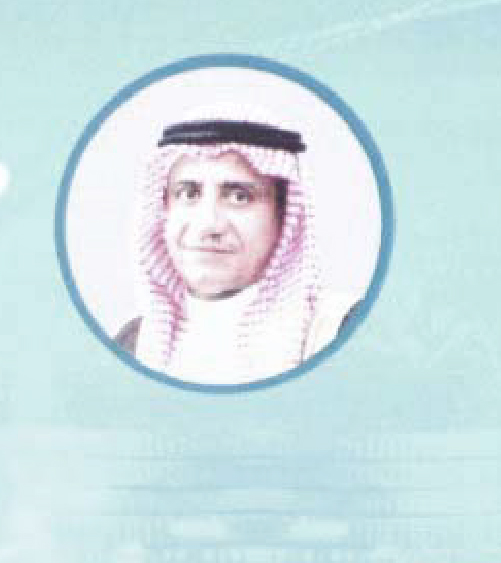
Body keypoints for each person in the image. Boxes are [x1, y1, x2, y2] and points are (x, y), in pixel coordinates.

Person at [110, 117, 356, 385]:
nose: (208, 225)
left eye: (239, 197)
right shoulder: (134, 343)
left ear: (284, 216)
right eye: (188, 194)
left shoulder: (339, 331)